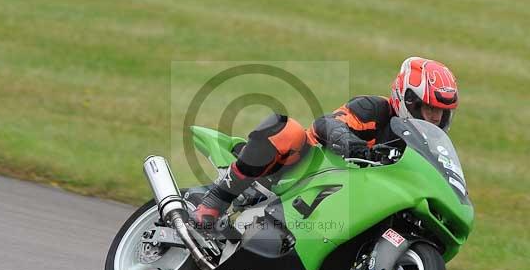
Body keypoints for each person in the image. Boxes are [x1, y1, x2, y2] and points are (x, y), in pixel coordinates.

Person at [193, 57, 459, 228]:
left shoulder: (422, 145)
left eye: (441, 112)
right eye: (429, 109)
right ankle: (216, 199)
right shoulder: (373, 110)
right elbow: (326, 123)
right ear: (408, 100)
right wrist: (348, 141)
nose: (435, 118)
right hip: (300, 173)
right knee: (287, 130)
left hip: (344, 201)